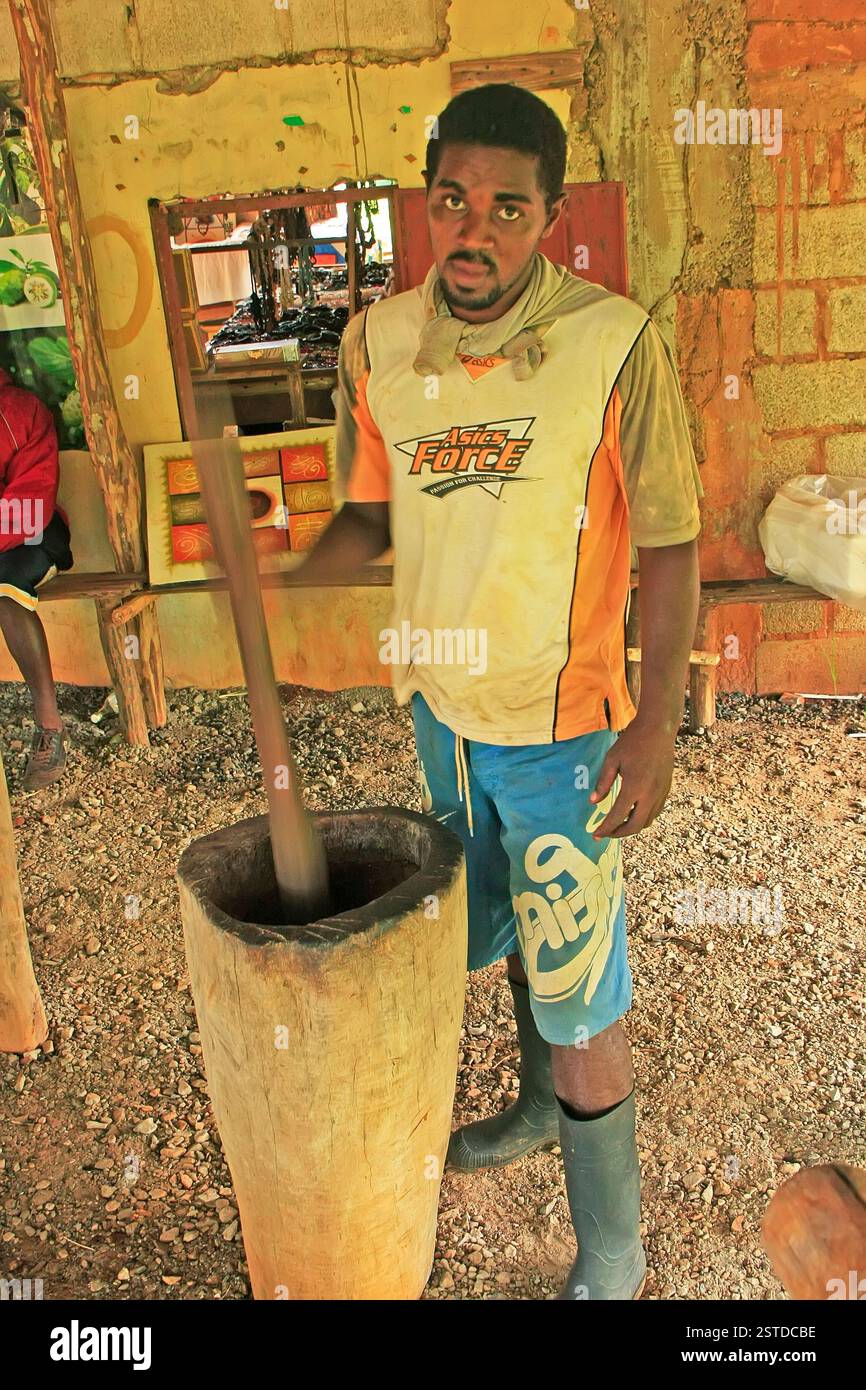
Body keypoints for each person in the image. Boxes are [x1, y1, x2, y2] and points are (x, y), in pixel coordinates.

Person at [299, 83, 702, 1300]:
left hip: (558, 731)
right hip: (443, 720)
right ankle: (533, 1106)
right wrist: (292, 570)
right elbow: (369, 513)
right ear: (425, 204)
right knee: (502, 938)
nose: (472, 234)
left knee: (577, 980)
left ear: (551, 215)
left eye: (506, 210)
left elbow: (673, 540)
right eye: (450, 204)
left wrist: (654, 724)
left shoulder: (611, 343)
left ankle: (615, 1255)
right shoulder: (379, 344)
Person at [0, 366, 72, 790]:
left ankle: (50, 726)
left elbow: (29, 506)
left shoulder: (21, 410)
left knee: (4, 592)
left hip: (34, 535)